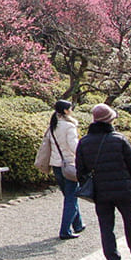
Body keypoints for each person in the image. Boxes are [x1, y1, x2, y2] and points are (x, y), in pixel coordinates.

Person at [76, 103, 131, 260]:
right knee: (130, 223)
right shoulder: (119, 139)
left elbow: (80, 171)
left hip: (101, 192)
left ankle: (112, 258)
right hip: (124, 190)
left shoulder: (84, 142)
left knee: (106, 227)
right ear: (110, 120)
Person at [47, 99, 85, 239]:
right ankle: (65, 231)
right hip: (69, 164)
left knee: (69, 195)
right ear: (65, 111)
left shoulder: (53, 125)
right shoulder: (69, 126)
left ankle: (78, 224)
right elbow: (74, 147)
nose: (71, 110)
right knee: (71, 197)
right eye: (70, 108)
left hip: (56, 165)